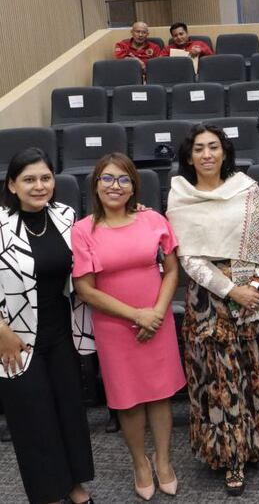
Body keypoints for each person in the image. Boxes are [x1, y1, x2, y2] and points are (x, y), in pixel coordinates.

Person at [166, 124, 259, 496]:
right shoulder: (180, 196)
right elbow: (188, 257)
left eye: (214, 147)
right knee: (221, 380)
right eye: (199, 149)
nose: (207, 154)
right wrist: (230, 290)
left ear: (225, 152)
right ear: (189, 156)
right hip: (210, 299)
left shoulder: (247, 190)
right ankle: (231, 455)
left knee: (258, 367)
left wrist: (252, 287)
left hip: (255, 297)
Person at [71, 154, 184, 500]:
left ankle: (163, 461)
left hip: (158, 317)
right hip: (116, 326)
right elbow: (85, 288)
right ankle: (139, 463)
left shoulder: (152, 219)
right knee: (129, 400)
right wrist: (138, 316)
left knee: (161, 394)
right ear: (96, 185)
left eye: (123, 179)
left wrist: (157, 312)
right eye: (107, 179)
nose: (115, 186)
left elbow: (172, 270)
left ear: (134, 185)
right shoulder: (83, 230)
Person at [0, 149, 96, 504]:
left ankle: (74, 486)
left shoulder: (66, 215)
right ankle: (48, 494)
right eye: (28, 179)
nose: (39, 186)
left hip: (62, 332)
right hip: (15, 339)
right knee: (33, 419)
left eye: (45, 178)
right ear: (12, 185)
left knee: (68, 410)